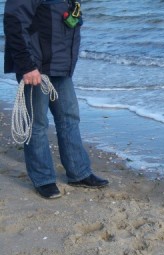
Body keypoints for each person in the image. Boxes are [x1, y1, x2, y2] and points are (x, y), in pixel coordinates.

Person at [3, 0, 108, 199]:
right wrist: (26, 66)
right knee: (37, 123)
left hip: (60, 65)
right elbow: (14, 22)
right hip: (35, 66)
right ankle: (43, 179)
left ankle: (79, 173)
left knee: (69, 117)